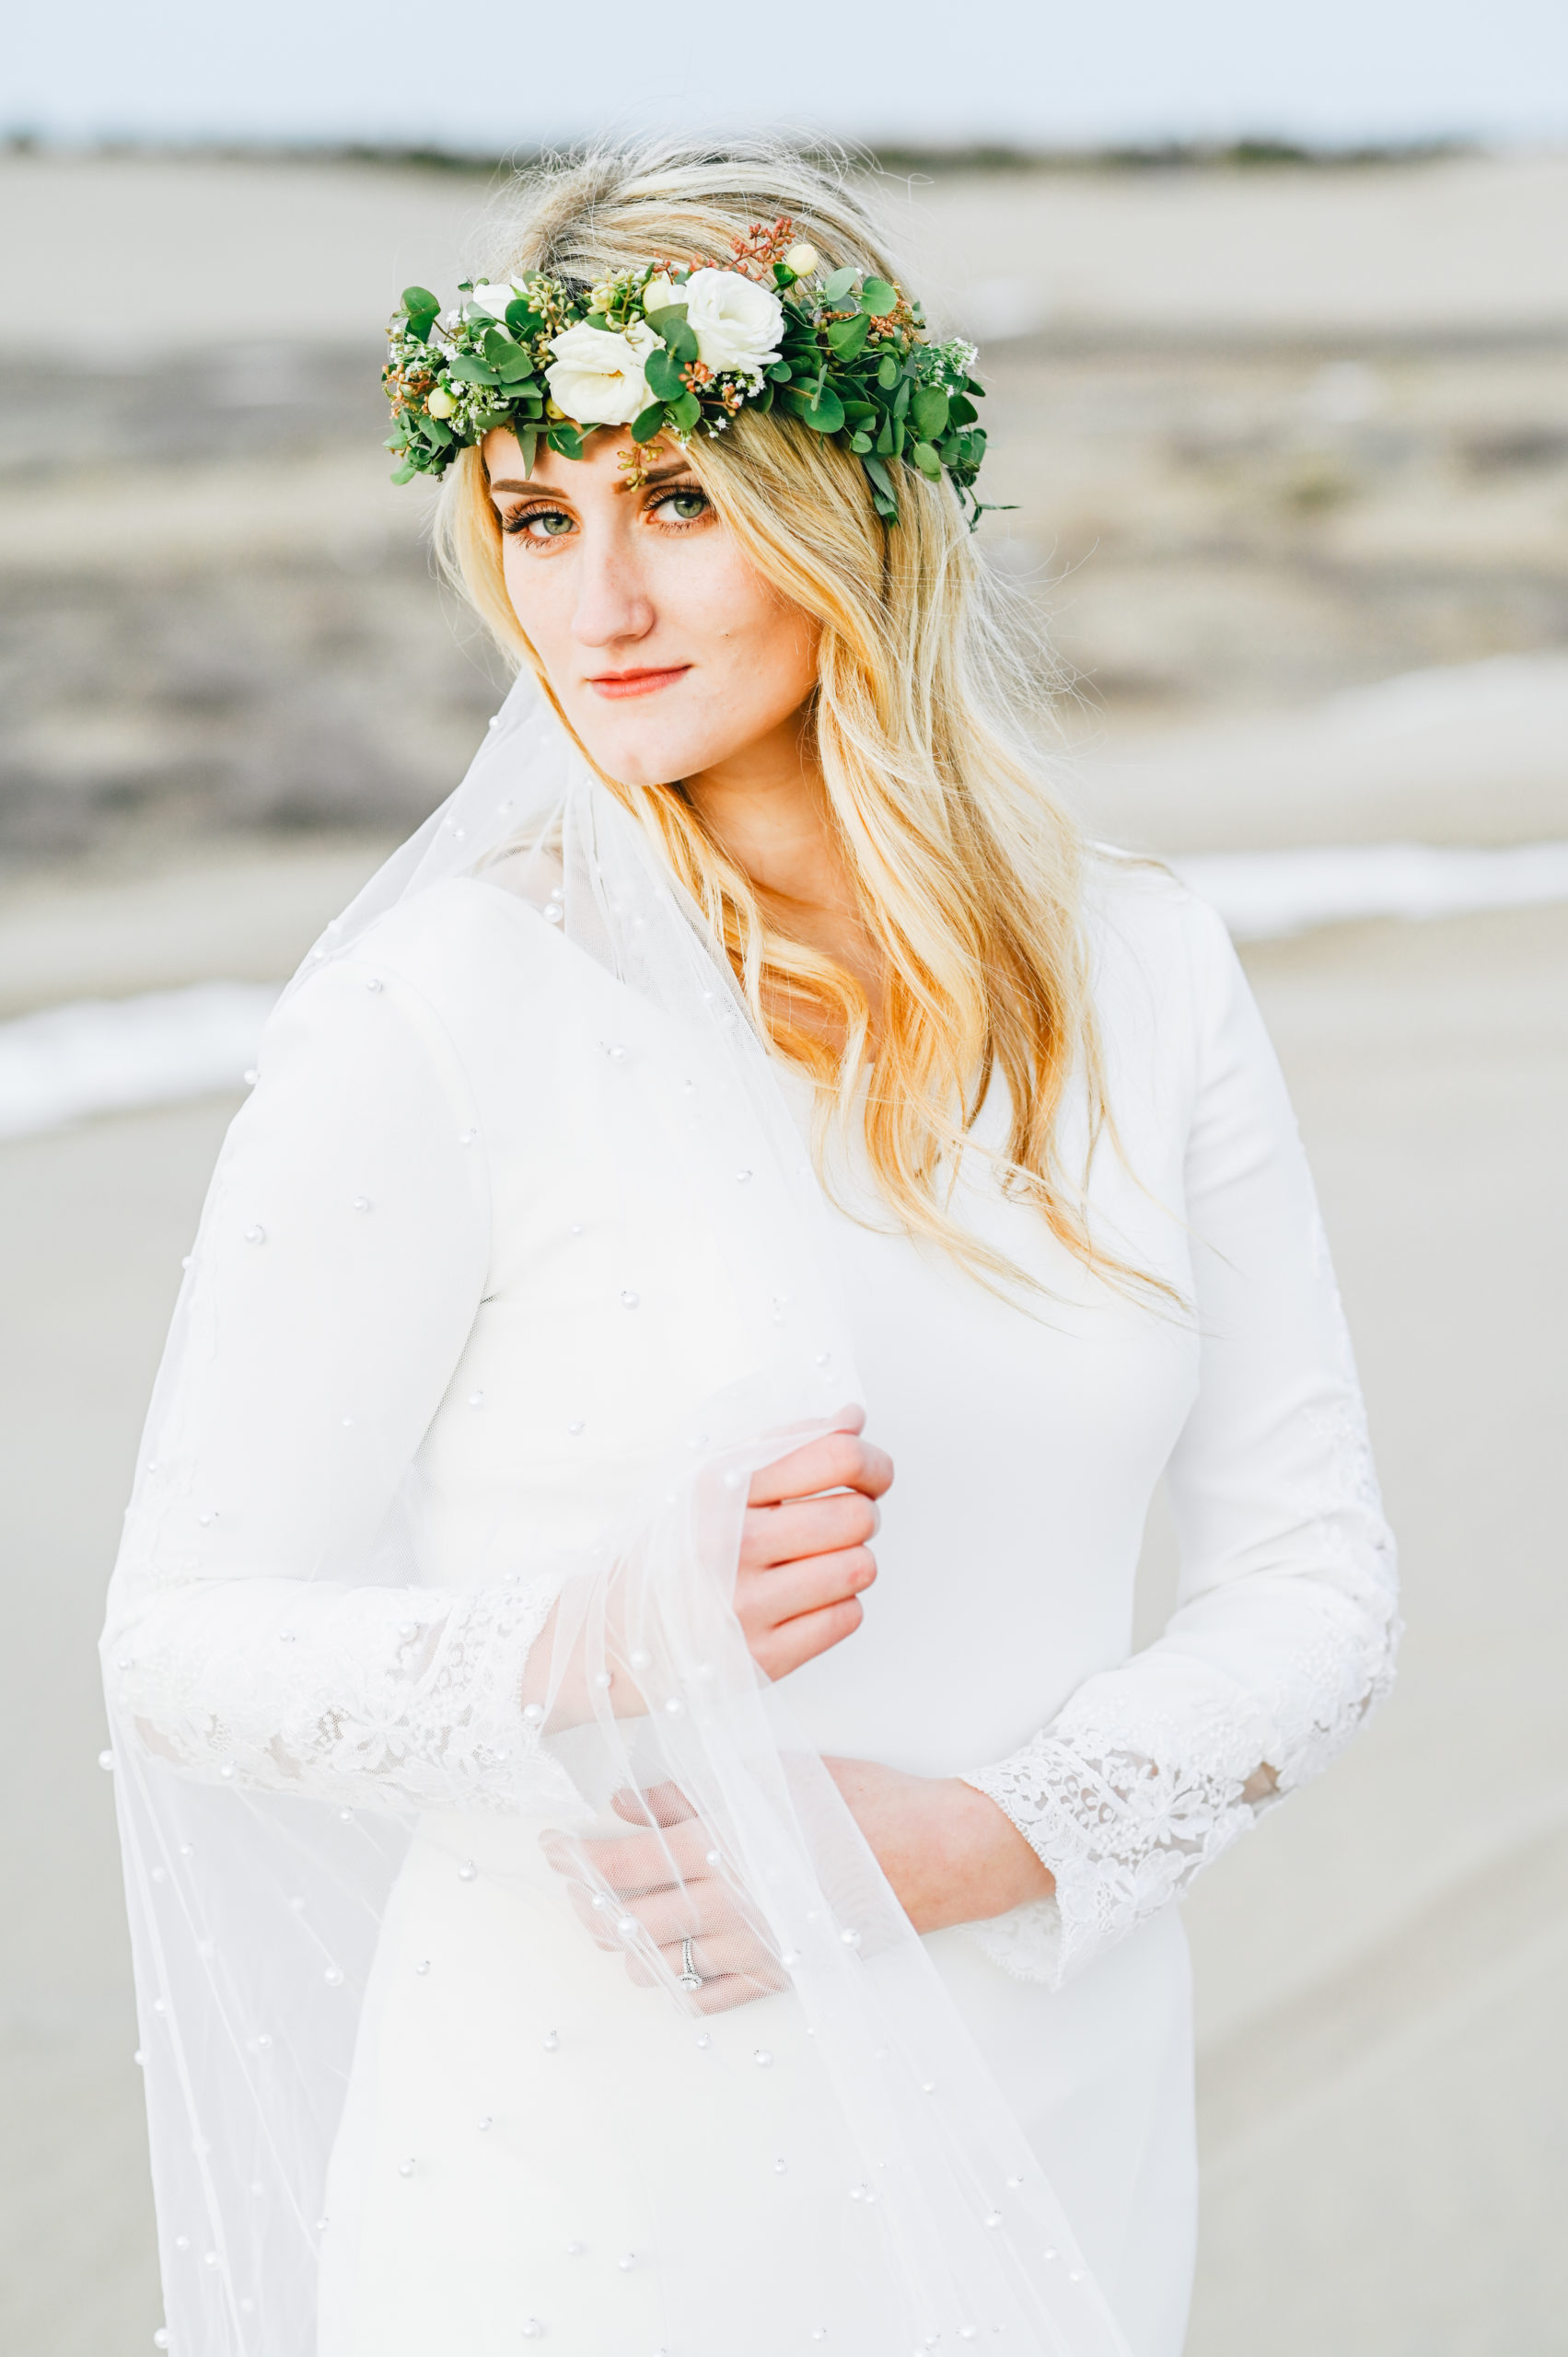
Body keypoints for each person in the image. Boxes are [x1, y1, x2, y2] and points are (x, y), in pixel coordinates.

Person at [101, 140, 1399, 2357]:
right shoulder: (450, 1012)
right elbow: (175, 1641)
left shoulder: (1152, 972)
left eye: (678, 502)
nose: (594, 606)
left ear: (853, 503)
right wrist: (590, 1633)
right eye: (539, 518)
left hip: (1045, 2107)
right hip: (584, 2163)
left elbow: (1318, 1577)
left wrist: (988, 1832)